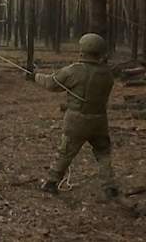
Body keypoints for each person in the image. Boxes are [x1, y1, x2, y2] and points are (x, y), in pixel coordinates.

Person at [29, 33, 118, 199]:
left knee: (65, 152)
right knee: (103, 153)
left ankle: (51, 183)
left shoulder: (75, 70)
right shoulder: (107, 74)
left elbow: (51, 84)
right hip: (99, 121)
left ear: (82, 50)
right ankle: (110, 187)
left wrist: (34, 76)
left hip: (77, 121)